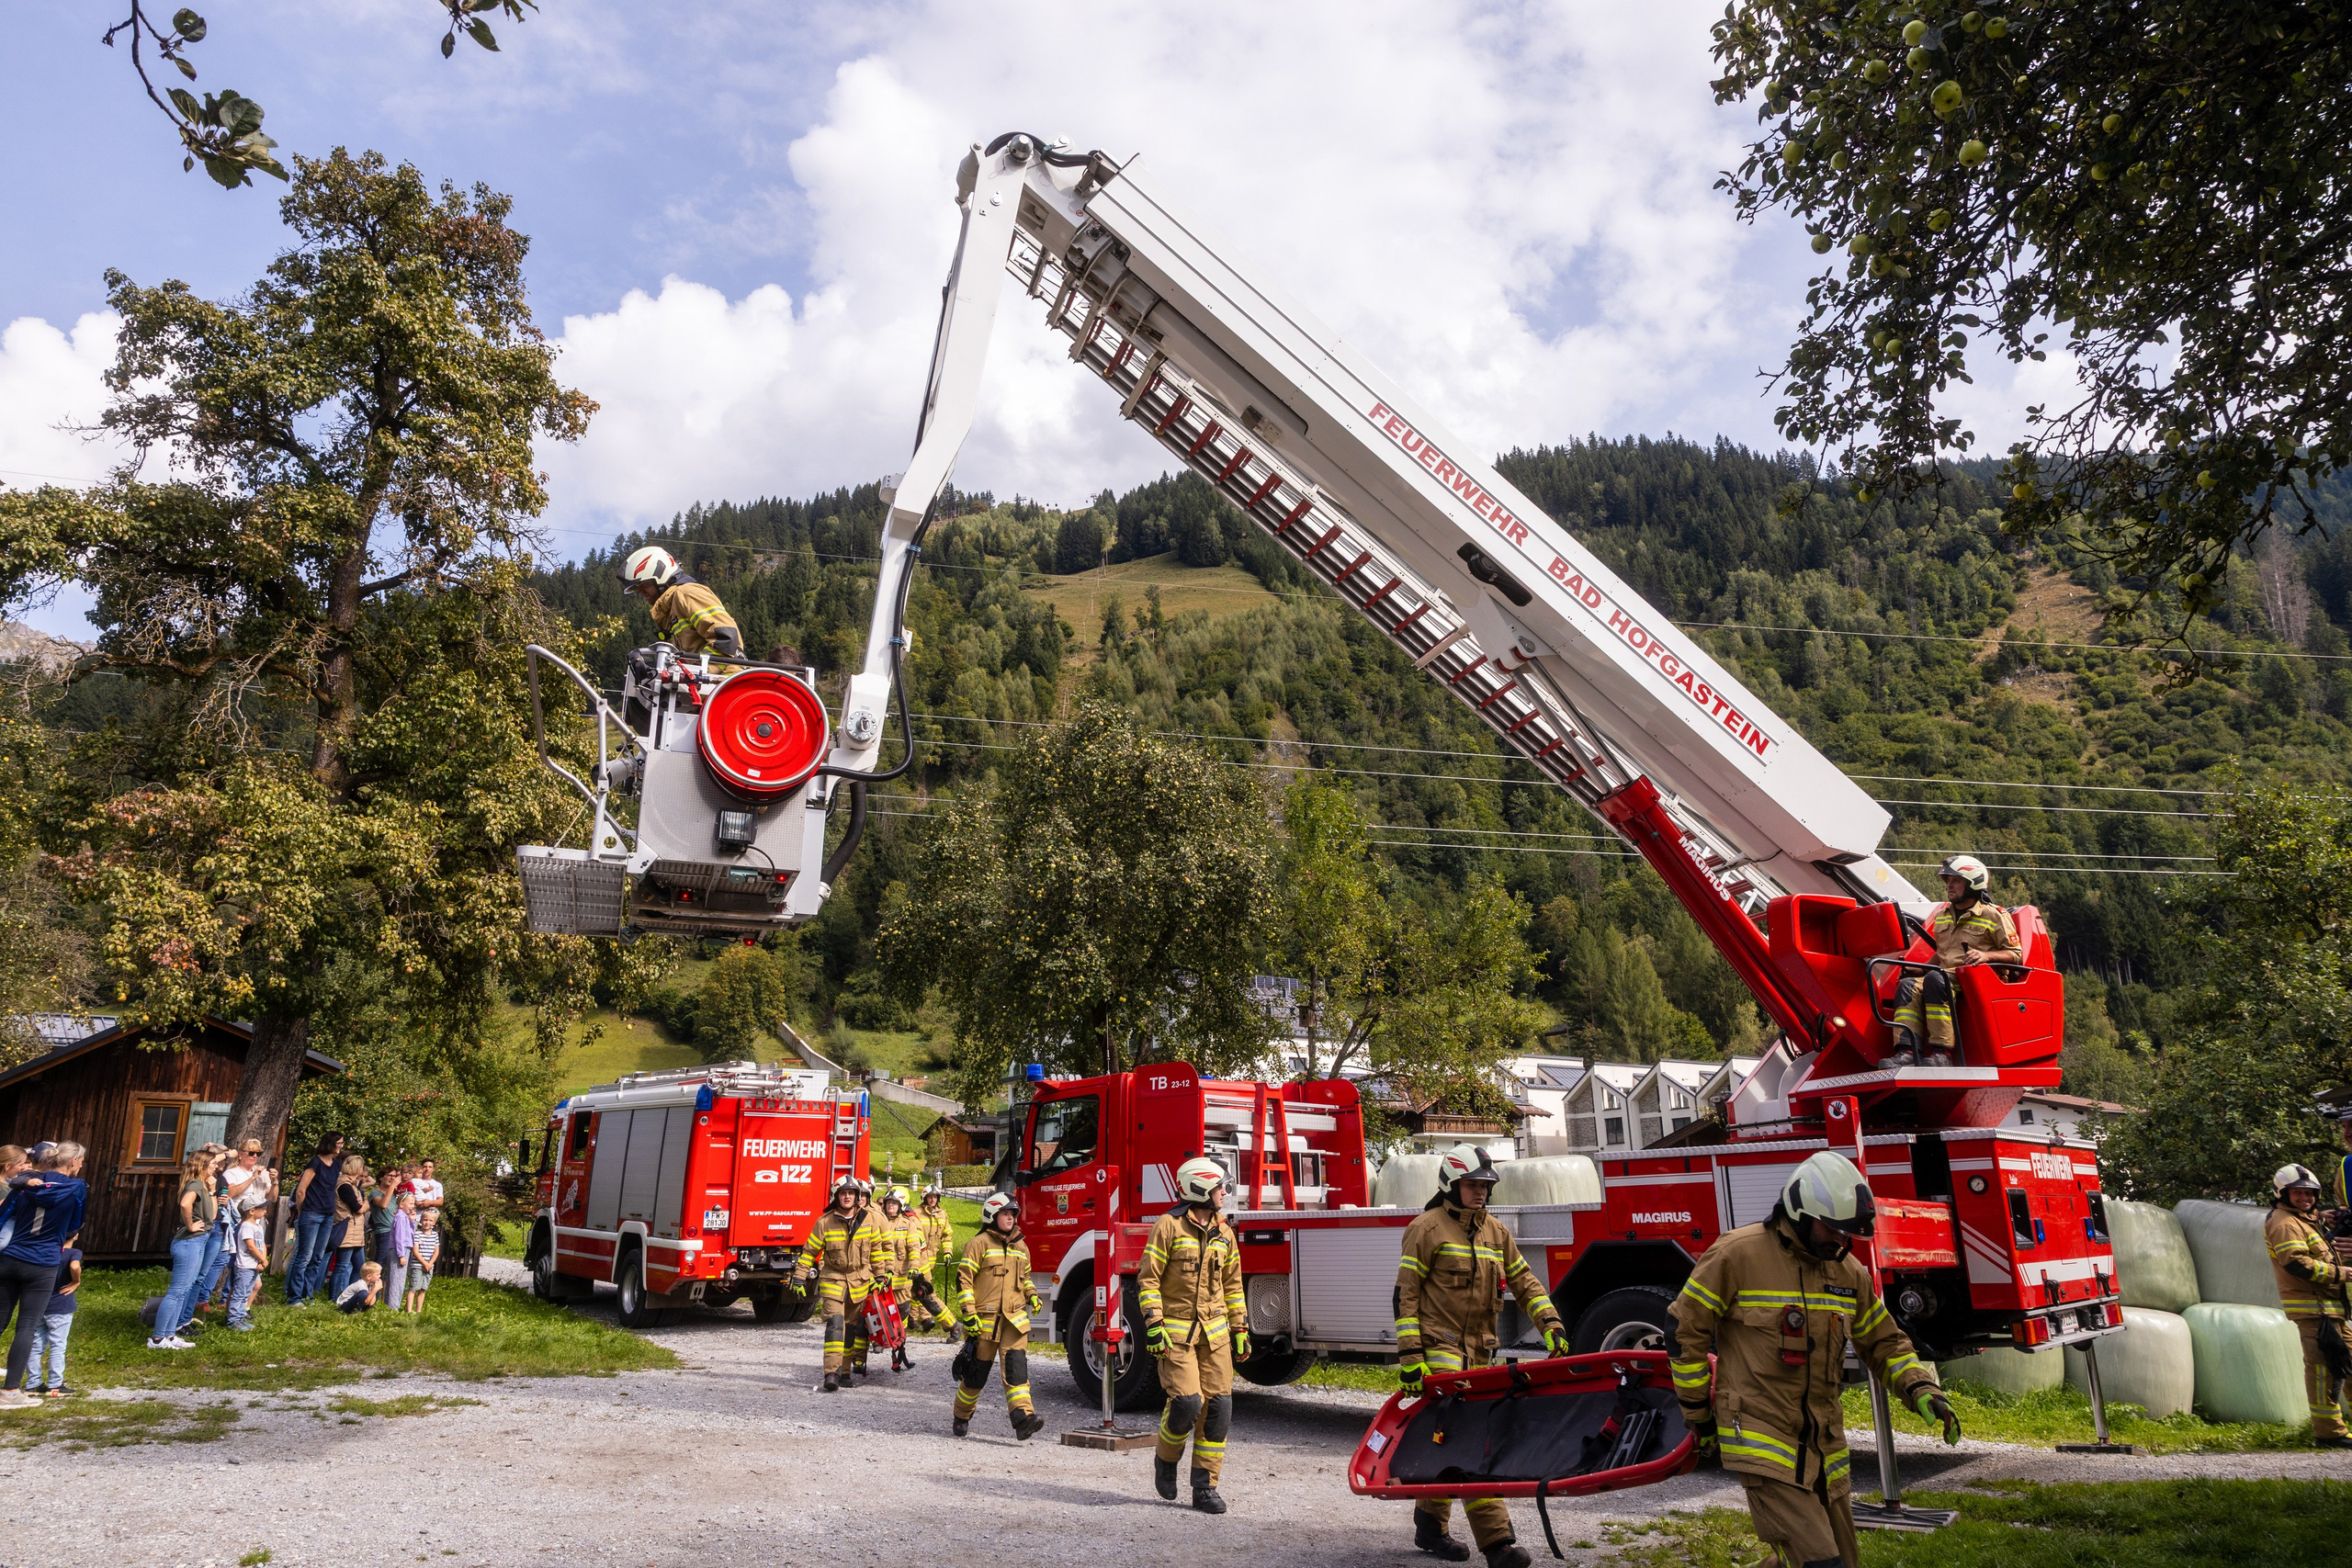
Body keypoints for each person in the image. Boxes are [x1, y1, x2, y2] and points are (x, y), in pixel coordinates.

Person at [1670, 1150, 1957, 1568]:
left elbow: (1884, 1342)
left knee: (1839, 1562)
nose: (1841, 1241)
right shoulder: (1736, 1255)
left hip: (1825, 1448)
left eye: (1847, 1233)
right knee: (1822, 1563)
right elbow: (1684, 1329)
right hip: (1761, 1437)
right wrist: (1698, 1411)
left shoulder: (1847, 1273)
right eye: (1833, 1229)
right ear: (1800, 1211)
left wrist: (1921, 1388)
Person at [1395, 1145, 1568, 1567]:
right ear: (1451, 1185)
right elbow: (1405, 1296)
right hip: (1440, 1352)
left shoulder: (1496, 1231)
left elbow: (1525, 1281)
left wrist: (1551, 1324)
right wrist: (1411, 1359)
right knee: (1472, 1441)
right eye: (1472, 1184)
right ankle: (1498, 1544)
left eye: (1486, 1186)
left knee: (1446, 1441)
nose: (1481, 1192)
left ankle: (1430, 1527)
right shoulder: (1425, 1229)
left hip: (1480, 1356)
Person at [1136, 1156, 1249, 1514]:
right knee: (1187, 1403)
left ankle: (1205, 1487)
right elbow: (1148, 1280)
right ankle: (1166, 1459)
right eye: (1218, 1188)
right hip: (1177, 1335)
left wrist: (1240, 1327)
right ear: (1199, 1188)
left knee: (1219, 1408)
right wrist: (1154, 1324)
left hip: (1215, 1335)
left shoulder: (1224, 1232)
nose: (1223, 1193)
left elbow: (1233, 1285)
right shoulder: (1168, 1227)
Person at [1886, 853, 2024, 1067]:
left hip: (1979, 978)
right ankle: (1908, 1051)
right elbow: (1942, 954)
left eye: (1956, 881)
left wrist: (1986, 956)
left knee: (1936, 979)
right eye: (1948, 880)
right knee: (1908, 985)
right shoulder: (1943, 915)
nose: (1949, 885)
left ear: (1973, 884)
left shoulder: (1995, 915)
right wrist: (1921, 969)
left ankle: (1942, 1054)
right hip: (1945, 975)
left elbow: (2015, 954)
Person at [2267, 1163, 2352, 1448]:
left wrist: (2323, 1219)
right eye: (2298, 1193)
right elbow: (2296, 1263)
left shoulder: (2306, 1220)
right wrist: (2342, 1273)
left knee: (2349, 1365)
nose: (2305, 1198)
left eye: (2310, 1193)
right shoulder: (2283, 1222)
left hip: (2332, 1310)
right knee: (2323, 1373)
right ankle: (2329, 1434)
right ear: (2283, 1194)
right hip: (2314, 1311)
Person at [950, 1191, 1046, 1440]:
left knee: (1017, 1370)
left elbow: (1025, 1278)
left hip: (1014, 1321)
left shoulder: (1021, 1246)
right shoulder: (978, 1244)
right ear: (992, 1215)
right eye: (1005, 1213)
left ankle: (1023, 1419)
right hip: (985, 1322)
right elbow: (964, 1281)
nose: (1011, 1218)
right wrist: (969, 1314)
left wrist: (1032, 1295)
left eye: (1012, 1214)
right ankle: (961, 1415)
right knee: (976, 1375)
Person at [0, 1144, 85, 1407]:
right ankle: (10, 1392)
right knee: (26, 1327)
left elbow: (3, 1215)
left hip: (11, 1258)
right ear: (73, 1161)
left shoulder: (25, 1183)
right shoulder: (76, 1188)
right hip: (43, 1263)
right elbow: (75, 1225)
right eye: (82, 1160)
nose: (82, 1165)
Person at [795, 1177, 882, 1393]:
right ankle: (831, 1373)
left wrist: (881, 1276)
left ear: (857, 1196)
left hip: (859, 1283)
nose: (847, 1197)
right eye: (843, 1193)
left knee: (850, 1329)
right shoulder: (824, 1222)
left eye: (851, 1193)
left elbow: (876, 1251)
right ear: (836, 1196)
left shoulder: (869, 1219)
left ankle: (844, 1371)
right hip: (833, 1281)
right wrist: (799, 1276)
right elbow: (809, 1252)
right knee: (835, 1325)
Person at [617, 545, 742, 660]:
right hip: (709, 677)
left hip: (724, 676)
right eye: (637, 589)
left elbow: (726, 638)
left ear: (660, 574)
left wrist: (696, 672)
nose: (641, 592)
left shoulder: (686, 594)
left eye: (643, 585)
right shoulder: (671, 608)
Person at [150, 1145, 220, 1351]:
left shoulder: (203, 1185)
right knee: (177, 1291)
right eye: (213, 1164)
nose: (216, 1167)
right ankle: (157, 1339)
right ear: (202, 1165)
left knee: (184, 1290)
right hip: (189, 1242)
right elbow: (184, 1204)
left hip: (199, 1241)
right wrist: (190, 1226)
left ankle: (170, 1336)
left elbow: (212, 1216)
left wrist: (213, 1191)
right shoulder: (195, 1184)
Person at [287, 1133, 346, 1305]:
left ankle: (307, 1295)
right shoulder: (315, 1162)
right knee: (304, 1256)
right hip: (311, 1213)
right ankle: (294, 1298)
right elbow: (301, 1190)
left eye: (342, 1143)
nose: (341, 1146)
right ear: (330, 1144)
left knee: (317, 1257)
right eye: (338, 1143)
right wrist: (302, 1211)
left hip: (328, 1214)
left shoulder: (336, 1164)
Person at [28, 1235, 79, 1395]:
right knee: (58, 1345)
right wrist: (76, 1281)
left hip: (39, 1304)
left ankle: (33, 1383)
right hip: (61, 1307)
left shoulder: (44, 1251)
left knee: (35, 1345)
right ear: (76, 1236)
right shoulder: (73, 1253)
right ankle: (55, 1384)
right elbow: (75, 1266)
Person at [917, 1188, 959, 1342]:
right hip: (917, 1259)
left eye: (935, 1197)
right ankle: (923, 1320)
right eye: (930, 1197)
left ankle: (951, 1325)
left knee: (925, 1293)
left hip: (928, 1261)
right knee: (917, 1293)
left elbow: (947, 1236)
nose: (933, 1200)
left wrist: (947, 1252)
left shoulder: (942, 1214)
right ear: (924, 1197)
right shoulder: (916, 1213)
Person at [329, 1156, 371, 1301]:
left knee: (360, 1267)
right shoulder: (345, 1186)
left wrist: (362, 1204)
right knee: (341, 1266)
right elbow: (359, 1208)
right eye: (361, 1167)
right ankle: (333, 1298)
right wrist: (366, 1204)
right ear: (356, 1168)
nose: (362, 1170)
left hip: (356, 1231)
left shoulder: (353, 1185)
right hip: (347, 1229)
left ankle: (351, 1296)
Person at [230, 1199, 270, 1331]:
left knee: (246, 1293)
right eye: (262, 1209)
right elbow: (251, 1247)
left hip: (255, 1266)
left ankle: (241, 1318)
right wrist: (263, 1260)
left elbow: (262, 1245)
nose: (265, 1211)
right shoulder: (246, 1226)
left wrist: (262, 1261)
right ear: (252, 1211)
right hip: (245, 1266)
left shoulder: (258, 1227)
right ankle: (233, 1320)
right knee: (239, 1294)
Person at [373, 1168, 408, 1312]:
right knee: (379, 1265)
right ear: (381, 1177)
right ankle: (372, 1296)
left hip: (394, 1234)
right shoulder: (375, 1193)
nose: (393, 1178)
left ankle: (385, 1300)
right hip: (384, 1233)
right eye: (389, 1175)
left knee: (390, 1267)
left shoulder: (394, 1194)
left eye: (395, 1176)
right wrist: (393, 1186)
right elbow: (383, 1205)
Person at [406, 1207, 440, 1314]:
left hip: (429, 1267)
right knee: (413, 1288)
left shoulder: (435, 1235)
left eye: (430, 1220)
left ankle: (418, 1310)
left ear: (434, 1223)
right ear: (421, 1220)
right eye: (425, 1220)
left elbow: (436, 1251)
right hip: (418, 1266)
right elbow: (415, 1251)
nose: (427, 1222)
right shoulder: (417, 1234)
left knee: (423, 1289)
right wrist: (425, 1263)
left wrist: (430, 1264)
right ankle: (409, 1311)